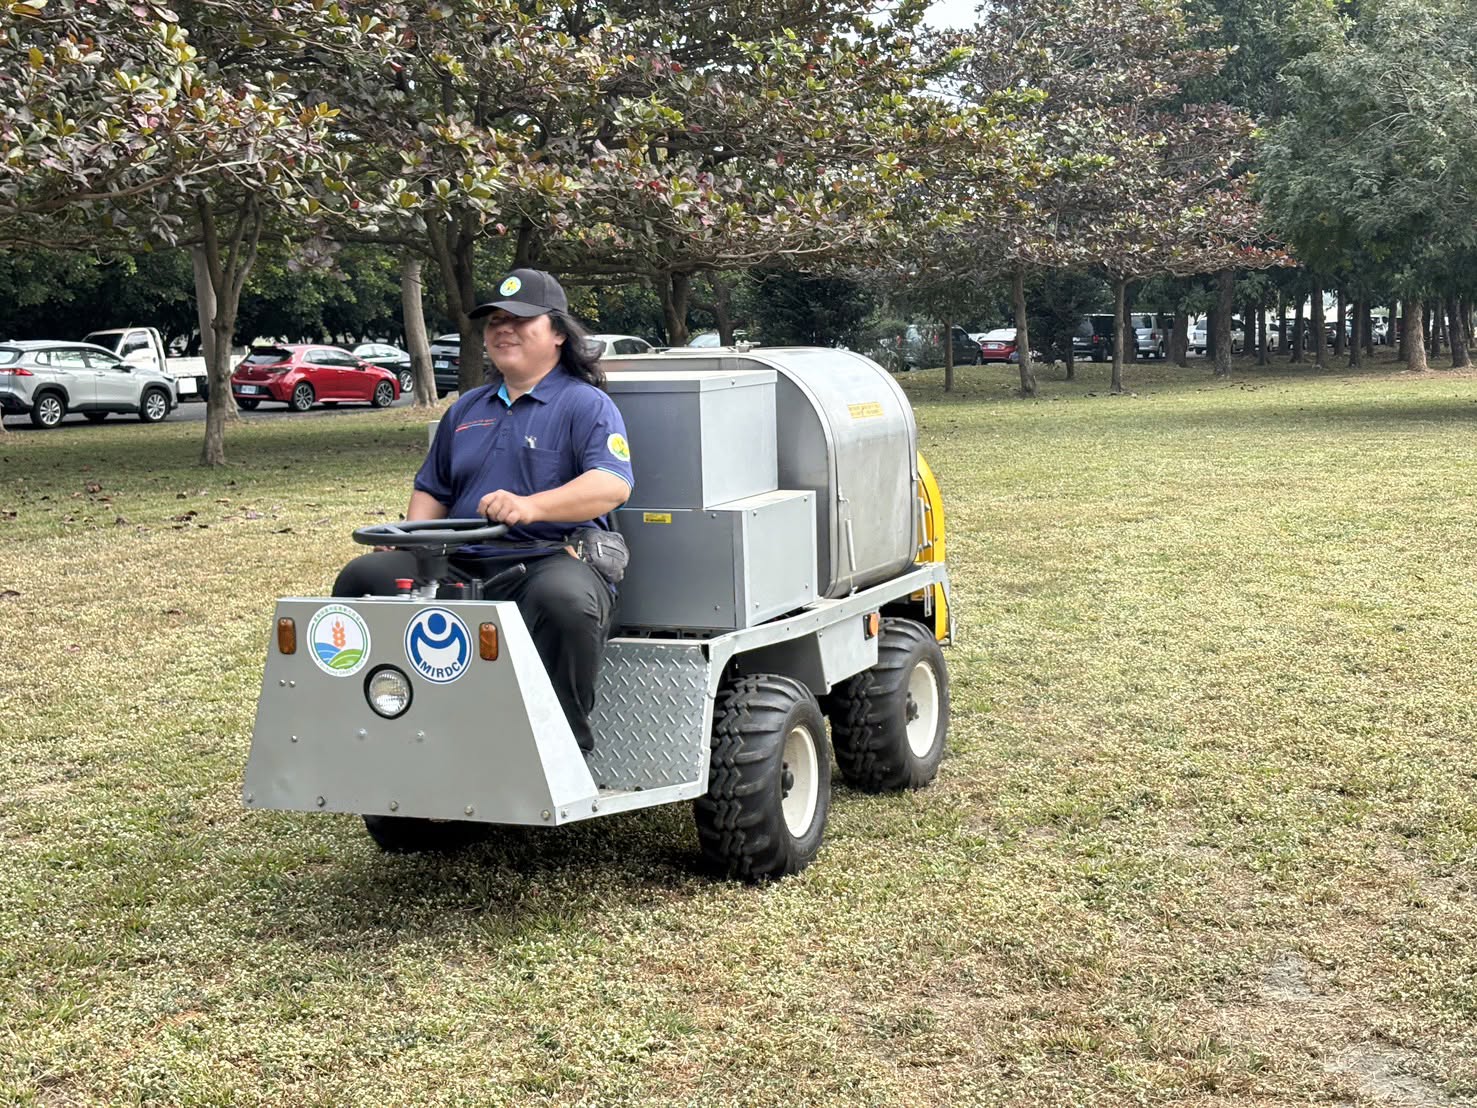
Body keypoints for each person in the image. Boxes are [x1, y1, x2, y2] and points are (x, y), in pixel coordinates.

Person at [334, 268, 634, 753]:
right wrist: (410, 536)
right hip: (457, 561)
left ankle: (563, 748)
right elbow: (432, 487)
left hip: (548, 558)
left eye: (520, 319)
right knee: (364, 577)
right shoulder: (466, 409)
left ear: (557, 333)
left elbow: (611, 485)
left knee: (567, 605)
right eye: (494, 320)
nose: (502, 329)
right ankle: (385, 730)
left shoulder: (587, 405)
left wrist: (530, 506)